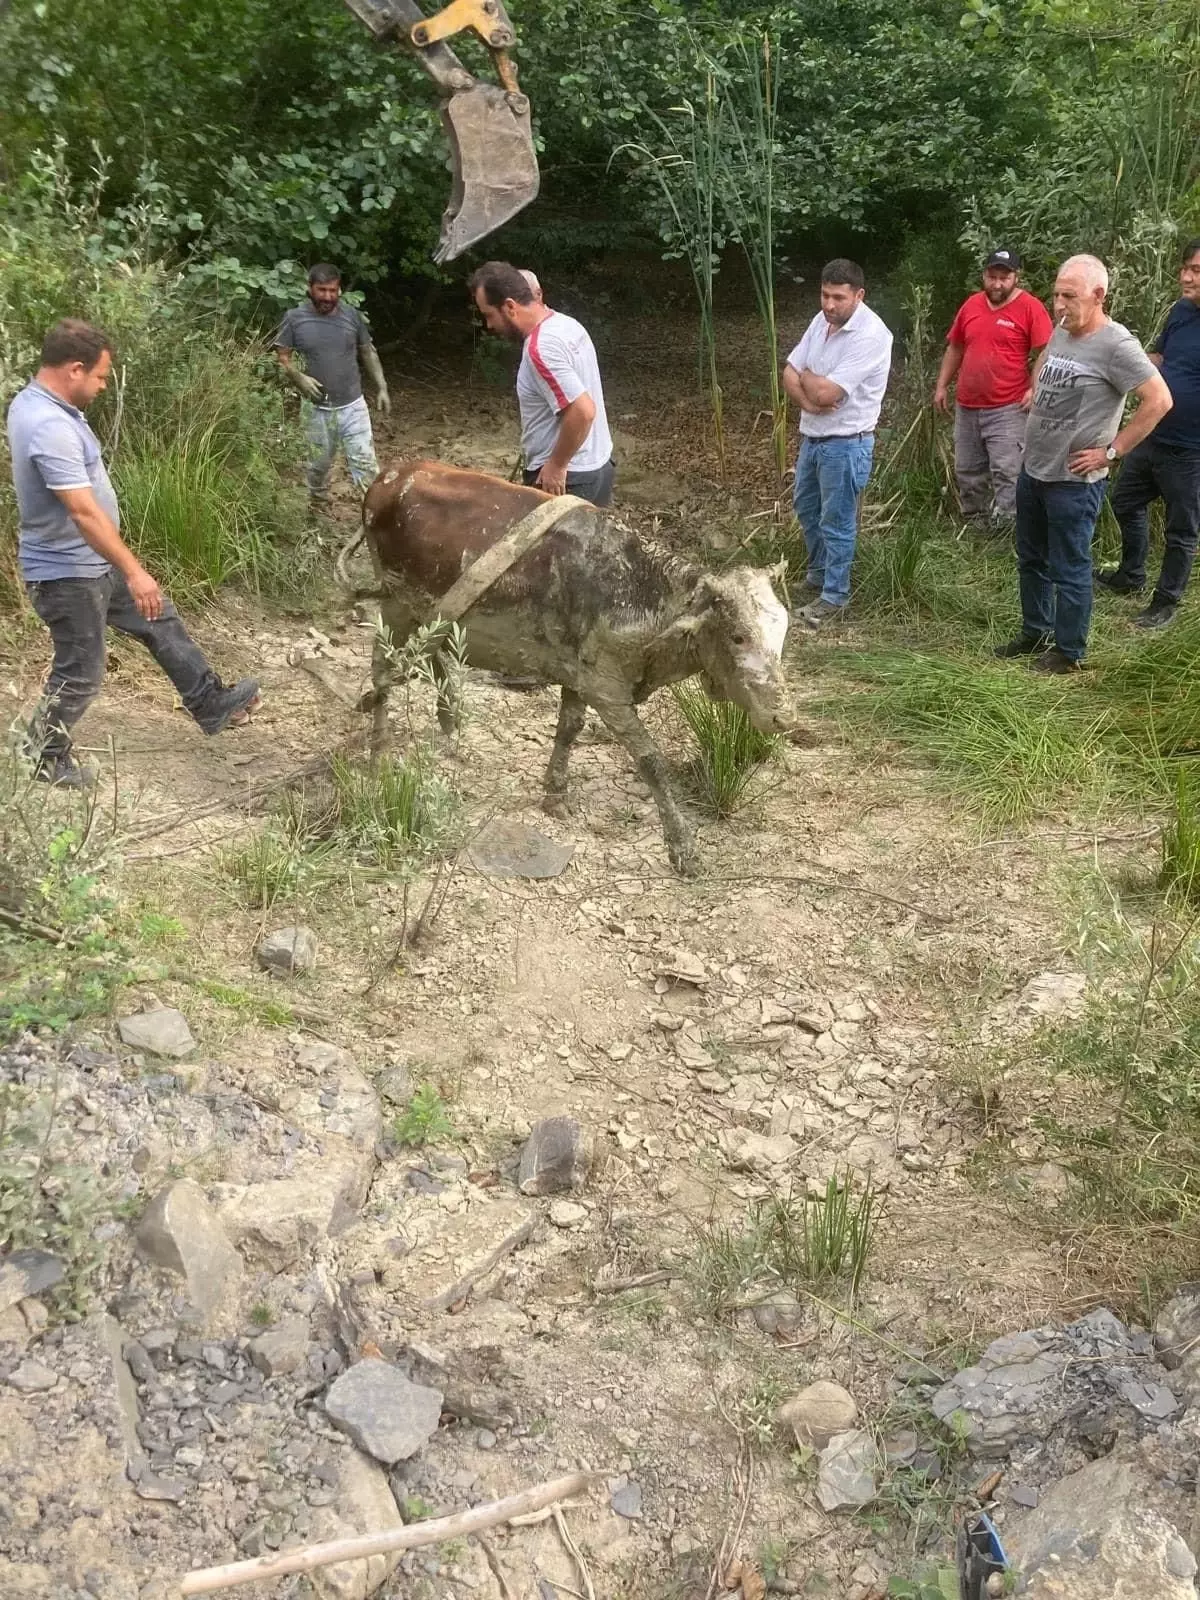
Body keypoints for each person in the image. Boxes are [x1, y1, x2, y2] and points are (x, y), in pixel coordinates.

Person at [7, 319, 261, 788]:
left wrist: (128, 572)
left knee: (158, 617)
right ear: (75, 369)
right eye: (101, 377)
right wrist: (135, 570)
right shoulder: (46, 424)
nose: (103, 387)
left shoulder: (49, 407)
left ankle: (209, 702)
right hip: (67, 574)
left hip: (90, 562)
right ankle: (41, 754)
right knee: (81, 673)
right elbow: (83, 512)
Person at [994, 255, 1173, 673]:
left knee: (1069, 565)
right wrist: (1036, 389)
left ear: (1099, 296)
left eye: (1069, 296)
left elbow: (1159, 400)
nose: (1058, 304)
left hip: (1074, 480)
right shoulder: (1063, 328)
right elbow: (1047, 361)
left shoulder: (1117, 345)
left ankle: (1068, 650)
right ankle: (1034, 631)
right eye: (1056, 294)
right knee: (1030, 558)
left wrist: (1112, 451)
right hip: (1034, 468)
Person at [783, 259, 893, 627]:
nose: (829, 304)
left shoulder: (871, 335)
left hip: (847, 443)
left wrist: (811, 379)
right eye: (825, 295)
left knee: (837, 519)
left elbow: (828, 388)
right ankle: (817, 575)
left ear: (858, 296)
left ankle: (834, 596)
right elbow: (789, 372)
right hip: (813, 436)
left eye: (838, 298)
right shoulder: (823, 321)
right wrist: (812, 399)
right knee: (806, 507)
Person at [1096, 238, 1200, 629]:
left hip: (1191, 449)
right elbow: (1159, 357)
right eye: (1184, 268)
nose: (1185, 276)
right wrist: (1126, 362)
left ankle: (1166, 601)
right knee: (1124, 500)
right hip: (1153, 433)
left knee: (1181, 528)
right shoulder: (1181, 312)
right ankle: (1131, 575)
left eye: (1195, 270)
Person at [468, 260, 614, 506]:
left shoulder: (541, 348)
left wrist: (557, 465)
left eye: (489, 315)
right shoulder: (567, 324)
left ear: (510, 306)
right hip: (598, 466)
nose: (489, 325)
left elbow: (583, 411)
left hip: (568, 481)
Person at [934, 247, 1054, 535]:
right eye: (992, 276)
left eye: (1004, 277)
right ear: (984, 275)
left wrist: (1035, 387)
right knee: (967, 468)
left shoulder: (1030, 307)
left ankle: (1007, 530)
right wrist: (941, 386)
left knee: (1007, 470)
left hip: (1008, 406)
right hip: (967, 405)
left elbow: (1048, 350)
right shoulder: (971, 305)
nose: (997, 283)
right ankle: (974, 524)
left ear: (1016, 277)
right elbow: (956, 346)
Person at [274, 264, 390, 508]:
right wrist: (298, 377)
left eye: (333, 290)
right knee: (318, 466)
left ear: (339, 290)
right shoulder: (294, 318)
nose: (327, 296)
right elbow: (282, 359)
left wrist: (382, 387)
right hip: (315, 410)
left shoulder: (351, 316)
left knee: (365, 463)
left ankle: (374, 513)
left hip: (353, 406)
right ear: (310, 289)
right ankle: (317, 504)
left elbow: (368, 351)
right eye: (321, 290)